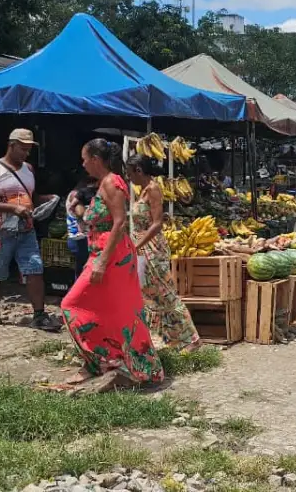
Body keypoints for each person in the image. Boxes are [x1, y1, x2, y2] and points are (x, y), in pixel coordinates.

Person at [59, 139, 164, 389]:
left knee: (73, 304)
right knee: (110, 309)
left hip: (111, 257)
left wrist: (102, 262)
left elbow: (119, 223)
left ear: (95, 159)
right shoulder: (104, 184)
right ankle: (104, 361)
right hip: (103, 254)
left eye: (85, 159)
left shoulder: (112, 183)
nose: (82, 164)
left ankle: (104, 361)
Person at [0, 128, 60, 331]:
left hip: (25, 230)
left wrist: (46, 199)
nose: (26, 153)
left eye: (29, 149)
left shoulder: (28, 169)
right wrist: (13, 208)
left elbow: (30, 196)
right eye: (22, 149)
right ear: (11, 145)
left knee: (34, 268)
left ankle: (39, 315)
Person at [126, 154, 201, 352]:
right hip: (142, 250)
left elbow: (157, 224)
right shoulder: (142, 190)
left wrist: (138, 244)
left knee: (166, 294)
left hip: (152, 249)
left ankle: (192, 339)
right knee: (150, 296)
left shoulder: (154, 189)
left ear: (139, 171)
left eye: (130, 173)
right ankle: (165, 339)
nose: (129, 178)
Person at [65, 177, 97, 280]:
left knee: (81, 269)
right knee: (84, 271)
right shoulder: (77, 195)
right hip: (80, 238)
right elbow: (80, 213)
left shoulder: (78, 194)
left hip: (81, 237)